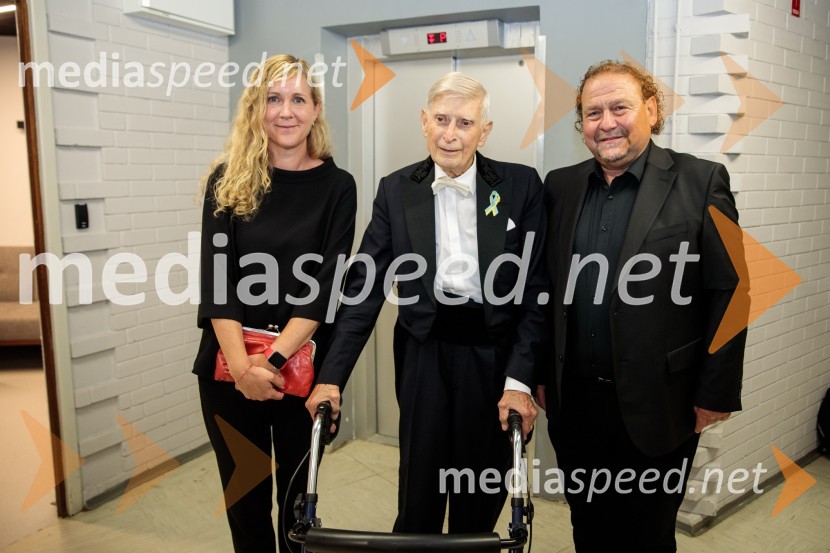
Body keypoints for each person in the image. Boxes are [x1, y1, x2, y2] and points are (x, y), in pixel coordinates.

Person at [305, 72, 547, 535]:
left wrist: (519, 379)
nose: (450, 134)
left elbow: (536, 291)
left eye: (464, 122)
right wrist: (329, 379)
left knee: (480, 495)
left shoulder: (521, 185)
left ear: (485, 130)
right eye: (440, 119)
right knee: (419, 491)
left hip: (494, 356)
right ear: (423, 121)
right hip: (422, 353)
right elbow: (364, 289)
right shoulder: (396, 189)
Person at [539, 60, 747, 551]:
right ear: (581, 126)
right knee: (588, 525)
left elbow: (731, 290)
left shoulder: (702, 181)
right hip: (576, 406)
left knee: (648, 533)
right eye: (593, 113)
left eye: (619, 107)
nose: (606, 122)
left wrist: (714, 392)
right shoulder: (560, 186)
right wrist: (540, 374)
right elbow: (545, 289)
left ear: (651, 111)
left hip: (661, 403)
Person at [192, 54, 356, 553]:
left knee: (295, 511)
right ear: (256, 109)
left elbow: (322, 289)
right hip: (227, 373)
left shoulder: (337, 186)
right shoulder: (228, 179)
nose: (286, 111)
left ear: (315, 109)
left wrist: (274, 362)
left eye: (298, 99)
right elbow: (217, 282)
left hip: (300, 375)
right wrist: (243, 367)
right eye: (274, 98)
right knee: (245, 508)